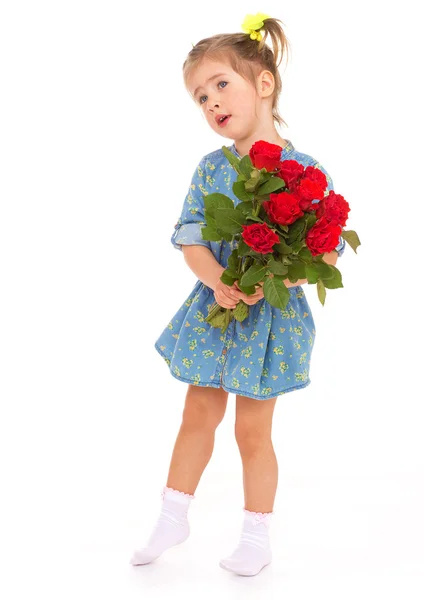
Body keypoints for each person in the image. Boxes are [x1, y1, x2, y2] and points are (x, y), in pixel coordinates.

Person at [130, 12, 346, 577]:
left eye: (221, 84)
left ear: (264, 84)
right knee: (197, 410)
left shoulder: (305, 171)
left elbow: (324, 251)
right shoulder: (210, 169)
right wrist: (218, 281)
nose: (211, 103)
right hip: (217, 308)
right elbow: (192, 238)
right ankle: (172, 513)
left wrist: (288, 272)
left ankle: (257, 533)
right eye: (200, 97)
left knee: (253, 429)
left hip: (269, 316)